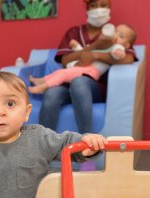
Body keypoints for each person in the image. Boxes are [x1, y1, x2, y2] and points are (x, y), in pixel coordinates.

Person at [39, 0, 136, 133]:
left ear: (109, 8)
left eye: (103, 5)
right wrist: (95, 46)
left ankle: (88, 146)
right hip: (67, 85)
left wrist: (95, 55)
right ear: (87, 8)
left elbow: (128, 58)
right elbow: (65, 61)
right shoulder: (73, 32)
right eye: (93, 5)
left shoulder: (116, 34)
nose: (98, 10)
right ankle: (44, 147)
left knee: (79, 82)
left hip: (94, 87)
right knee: (51, 94)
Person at [28, 24, 137, 94]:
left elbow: (118, 54)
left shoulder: (117, 47)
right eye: (116, 32)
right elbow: (87, 52)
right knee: (61, 71)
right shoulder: (105, 44)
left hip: (91, 72)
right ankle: (41, 80)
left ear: (127, 45)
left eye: (121, 36)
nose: (116, 36)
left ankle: (43, 87)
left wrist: (119, 53)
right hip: (86, 68)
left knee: (63, 74)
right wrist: (76, 47)